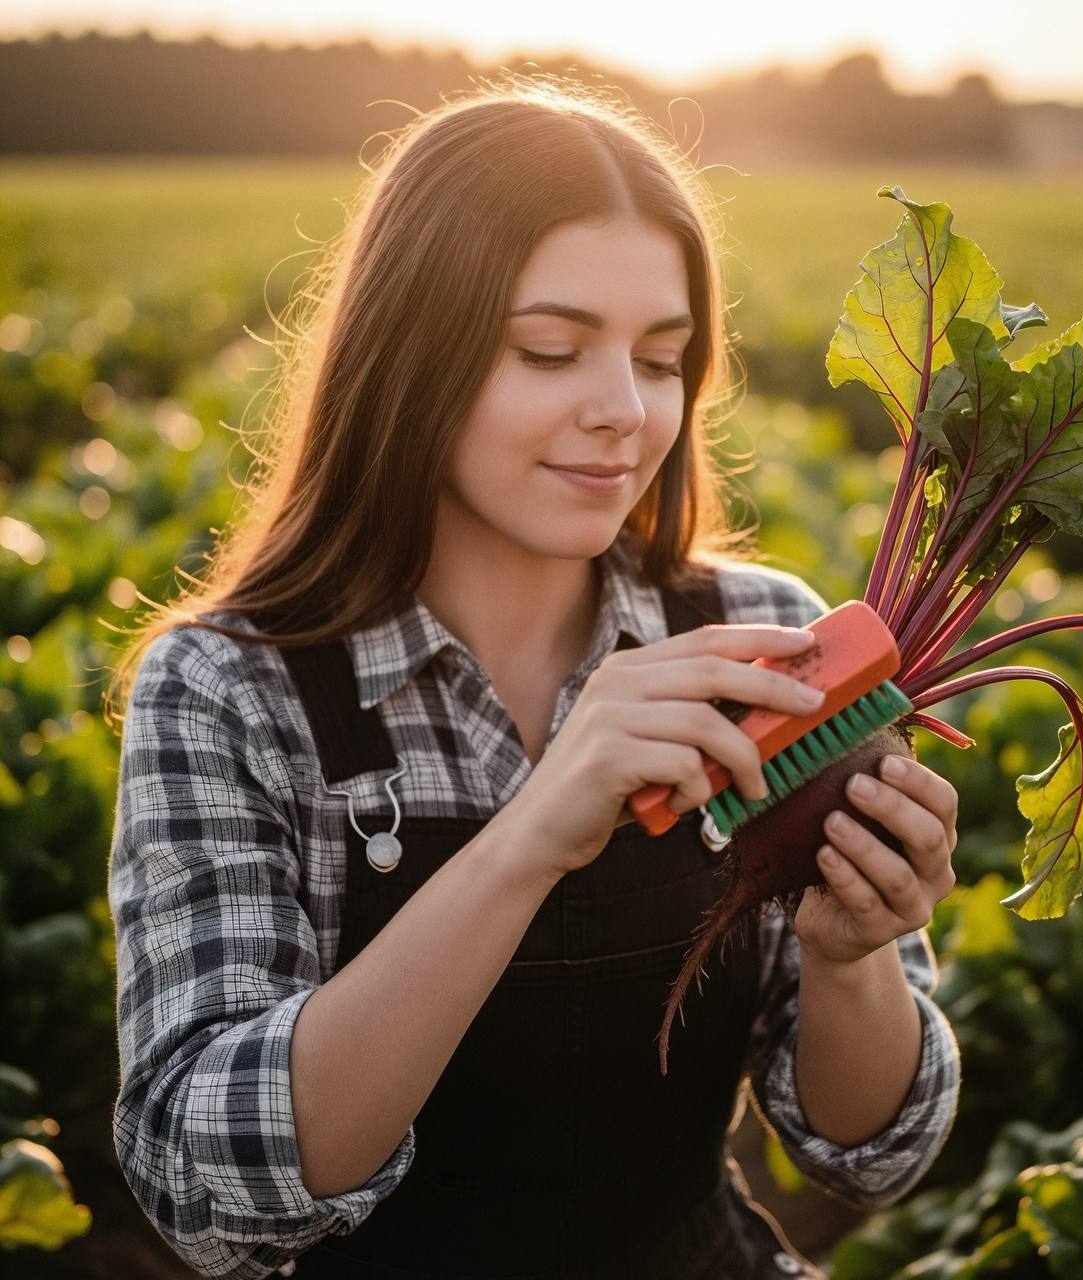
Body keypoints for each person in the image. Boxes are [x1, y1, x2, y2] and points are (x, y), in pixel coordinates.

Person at [105, 74, 962, 1280]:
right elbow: (209, 1195)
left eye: (662, 361)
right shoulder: (231, 688)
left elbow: (865, 1154)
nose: (622, 410)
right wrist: (526, 840)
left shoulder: (760, 636)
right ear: (410, 353)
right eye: (549, 350)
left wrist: (851, 951)